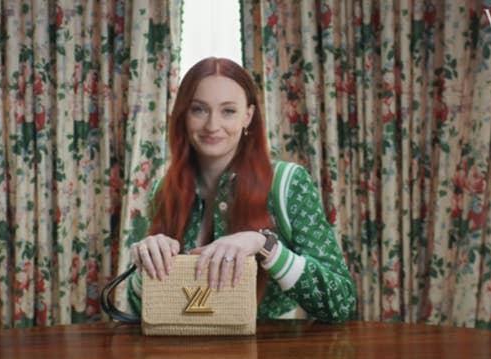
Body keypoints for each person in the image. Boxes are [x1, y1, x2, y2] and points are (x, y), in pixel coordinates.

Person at [126, 57, 356, 322]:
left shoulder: (288, 183)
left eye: (228, 111)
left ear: (248, 116)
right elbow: (140, 309)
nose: (212, 125)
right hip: (186, 355)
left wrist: (267, 246)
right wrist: (145, 265)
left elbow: (342, 303)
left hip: (273, 357)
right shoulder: (163, 189)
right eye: (199, 109)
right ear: (183, 115)